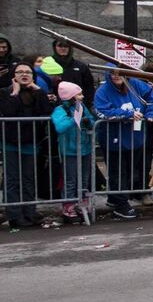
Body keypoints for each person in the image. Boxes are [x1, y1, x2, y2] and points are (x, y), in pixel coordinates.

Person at [94, 66, 153, 220]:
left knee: (131, 171)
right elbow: (102, 110)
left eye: (119, 73)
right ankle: (120, 204)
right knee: (117, 172)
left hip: (135, 137)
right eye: (112, 74)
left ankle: (115, 197)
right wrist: (126, 115)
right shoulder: (102, 91)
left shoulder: (136, 84)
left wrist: (151, 114)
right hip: (113, 140)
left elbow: (152, 98)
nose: (116, 76)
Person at [1, 61, 53, 227]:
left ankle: (30, 213)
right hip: (10, 143)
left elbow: (46, 112)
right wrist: (15, 94)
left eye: (28, 72)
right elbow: (8, 112)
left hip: (30, 143)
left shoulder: (37, 93)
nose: (24, 74)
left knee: (29, 179)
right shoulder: (5, 92)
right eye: (20, 72)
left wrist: (39, 91)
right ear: (14, 76)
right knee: (12, 180)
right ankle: (14, 215)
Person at [50, 81, 96, 224]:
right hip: (69, 150)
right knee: (70, 180)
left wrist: (89, 122)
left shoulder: (81, 107)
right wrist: (74, 119)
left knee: (84, 179)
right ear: (70, 96)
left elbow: (93, 122)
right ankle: (68, 207)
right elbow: (60, 126)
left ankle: (82, 205)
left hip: (85, 148)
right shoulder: (60, 110)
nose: (82, 97)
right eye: (79, 94)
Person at [51, 39, 96, 105]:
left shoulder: (81, 67)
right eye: (60, 46)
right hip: (55, 106)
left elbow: (89, 88)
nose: (63, 48)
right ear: (55, 47)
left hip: (78, 105)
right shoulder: (48, 65)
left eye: (66, 46)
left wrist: (86, 105)